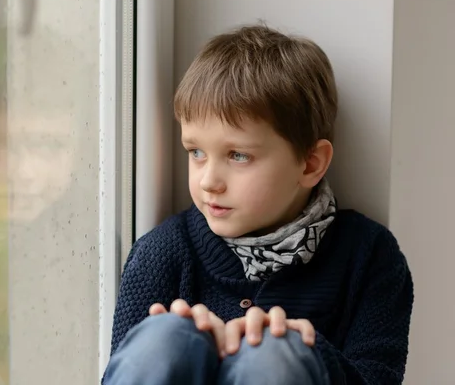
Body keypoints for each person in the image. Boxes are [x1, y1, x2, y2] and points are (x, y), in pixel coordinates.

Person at [101, 24, 413, 385]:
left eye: (238, 155)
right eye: (196, 152)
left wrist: (305, 351)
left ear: (310, 163)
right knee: (164, 338)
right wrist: (178, 343)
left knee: (274, 353)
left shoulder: (369, 255)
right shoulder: (162, 253)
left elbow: (379, 376)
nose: (208, 181)